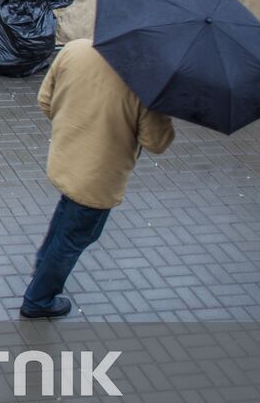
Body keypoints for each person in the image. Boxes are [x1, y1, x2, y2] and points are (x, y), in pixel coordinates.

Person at [22, 38, 175, 318]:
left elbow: (45, 100)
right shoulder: (143, 80)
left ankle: (43, 264)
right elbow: (156, 142)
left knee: (66, 216)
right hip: (99, 176)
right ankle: (39, 299)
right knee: (74, 237)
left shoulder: (75, 49)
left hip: (65, 158)